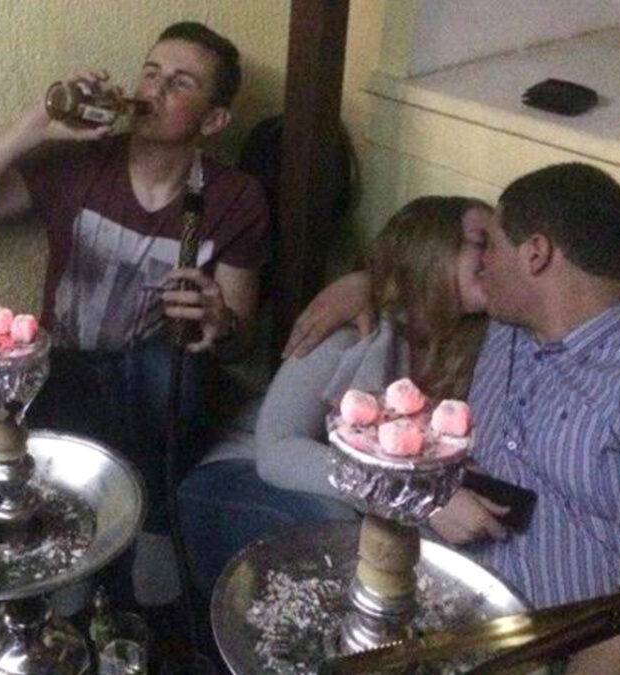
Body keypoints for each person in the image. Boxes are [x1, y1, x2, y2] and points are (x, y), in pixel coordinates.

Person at [283, 163, 620, 674]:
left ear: (536, 254)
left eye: (490, 245)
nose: (482, 263)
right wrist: (362, 285)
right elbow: (423, 278)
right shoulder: (507, 327)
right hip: (439, 618)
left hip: (555, 655)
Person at [0, 22, 269, 606]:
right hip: (68, 369)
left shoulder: (233, 196)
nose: (153, 91)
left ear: (213, 120)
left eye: (180, 83)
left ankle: (153, 525)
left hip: (157, 387)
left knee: (170, 367)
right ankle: (63, 543)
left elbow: (240, 341)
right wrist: (29, 129)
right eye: (150, 73)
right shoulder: (80, 163)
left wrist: (218, 322)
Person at [178, 196, 492, 595]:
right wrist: (416, 498)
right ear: (431, 247)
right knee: (348, 539)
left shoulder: (472, 347)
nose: (495, 257)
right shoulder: (351, 330)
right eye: (481, 242)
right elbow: (277, 454)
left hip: (356, 501)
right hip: (239, 474)